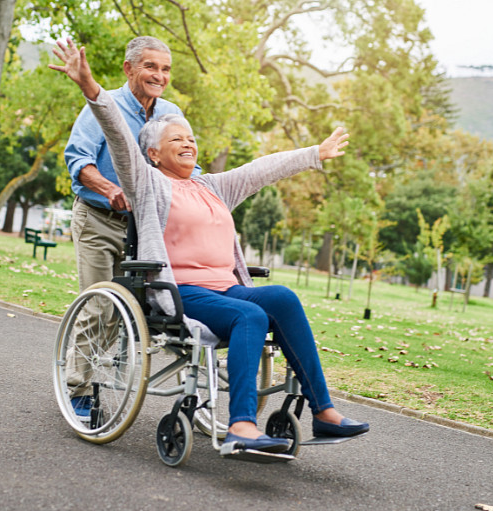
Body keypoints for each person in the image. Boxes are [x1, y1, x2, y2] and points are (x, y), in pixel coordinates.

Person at [51, 39, 369, 453]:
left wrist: (315, 153)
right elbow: (115, 133)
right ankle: (241, 427)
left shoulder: (212, 185)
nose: (187, 144)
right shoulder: (148, 184)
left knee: (283, 299)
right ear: (152, 153)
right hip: (182, 291)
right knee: (249, 317)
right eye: (175, 140)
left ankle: (324, 412)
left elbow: (260, 170)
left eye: (191, 139)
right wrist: (91, 87)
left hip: (225, 287)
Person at [63, 36, 200, 411]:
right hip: (100, 220)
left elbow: (185, 162)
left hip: (147, 229)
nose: (159, 75)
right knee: (100, 307)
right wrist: (110, 188)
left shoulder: (170, 112)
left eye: (166, 69)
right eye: (151, 66)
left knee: (152, 311)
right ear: (129, 69)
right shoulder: (104, 104)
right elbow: (78, 160)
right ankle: (76, 389)